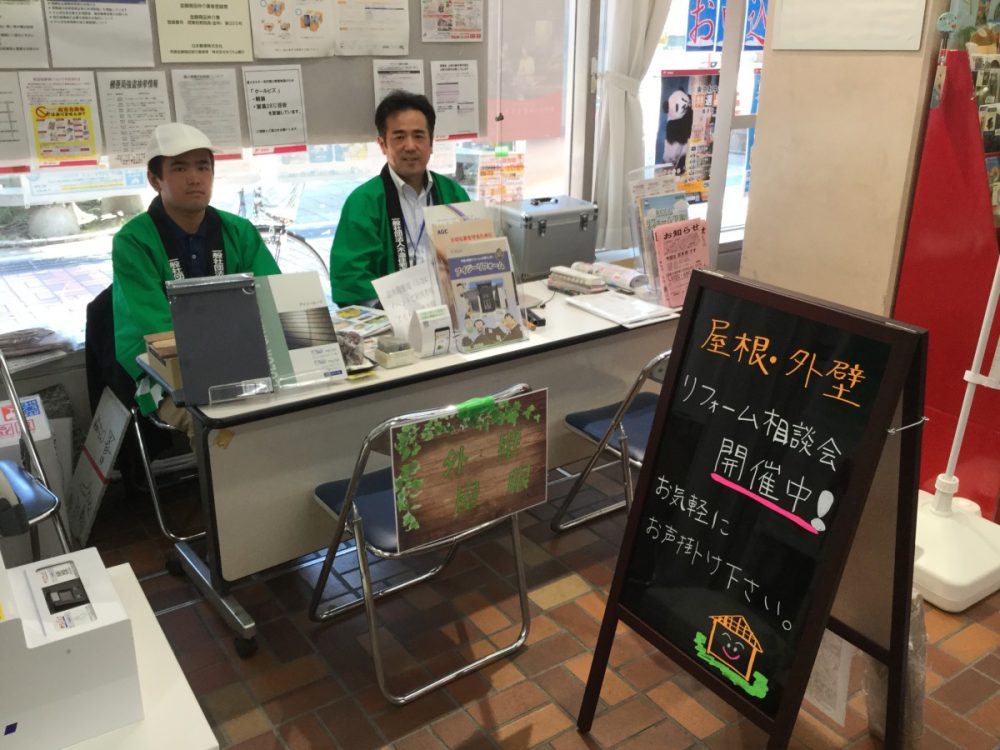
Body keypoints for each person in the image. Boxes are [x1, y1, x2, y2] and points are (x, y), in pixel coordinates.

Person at [112, 122, 280, 436]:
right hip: (165, 372)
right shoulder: (133, 242)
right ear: (154, 179)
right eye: (179, 168)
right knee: (220, 429)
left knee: (297, 407)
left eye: (203, 167)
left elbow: (273, 298)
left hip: (245, 359)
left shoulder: (239, 231)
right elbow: (157, 329)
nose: (194, 178)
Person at [329, 91, 470, 306]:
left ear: (431, 143)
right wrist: (400, 308)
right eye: (399, 137)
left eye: (419, 136)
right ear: (382, 144)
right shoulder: (364, 202)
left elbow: (475, 255)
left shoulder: (453, 194)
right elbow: (350, 278)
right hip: (391, 316)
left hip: (452, 310)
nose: (410, 146)